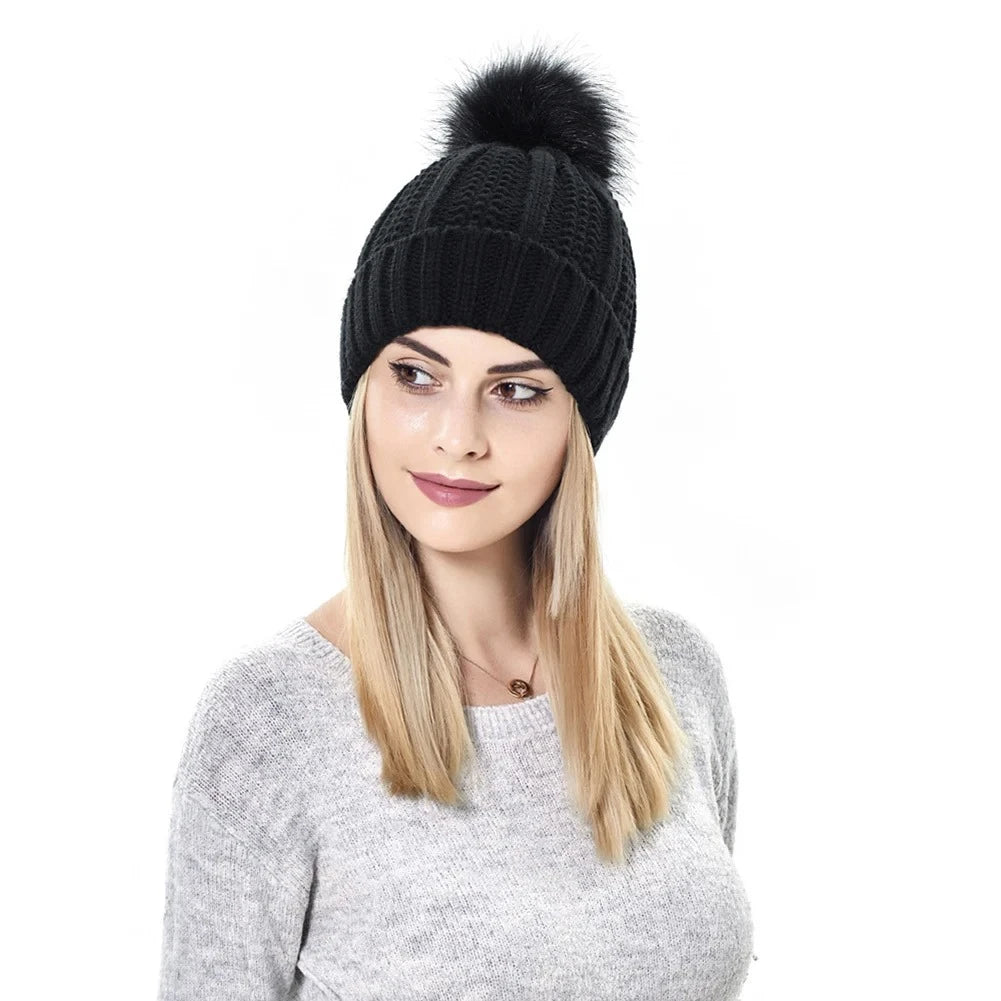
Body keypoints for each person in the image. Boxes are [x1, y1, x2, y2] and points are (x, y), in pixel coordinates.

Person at [157, 43, 755, 1000]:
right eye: (415, 375)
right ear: (363, 387)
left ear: (580, 422)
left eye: (515, 390)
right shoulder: (270, 723)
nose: (454, 437)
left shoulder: (674, 678)